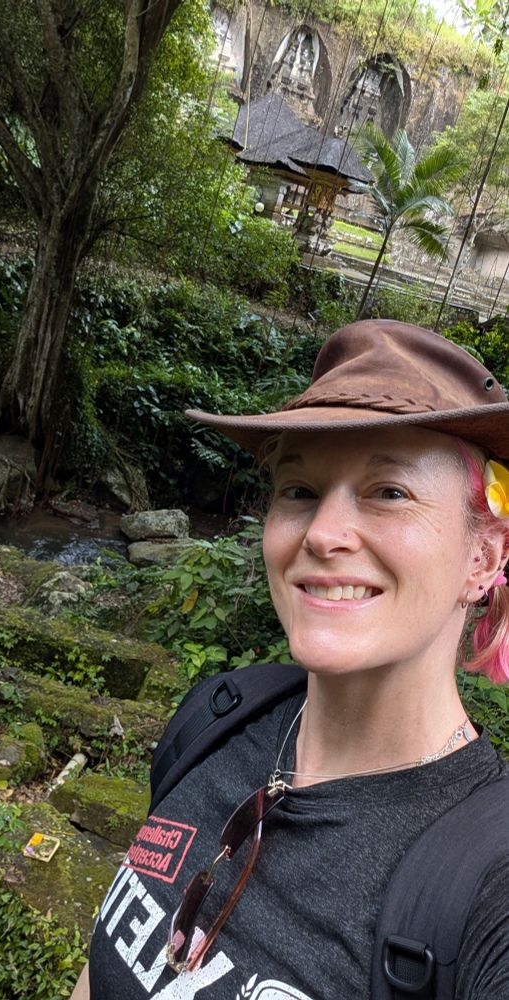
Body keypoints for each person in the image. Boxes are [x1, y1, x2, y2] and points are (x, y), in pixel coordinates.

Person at [73, 319, 509, 1000]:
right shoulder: (216, 721)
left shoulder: (489, 886)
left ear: (482, 558)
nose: (322, 534)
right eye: (298, 491)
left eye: (387, 491)